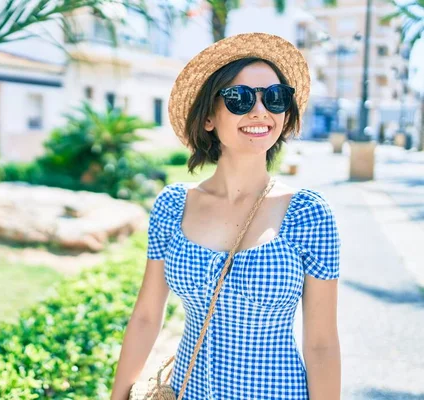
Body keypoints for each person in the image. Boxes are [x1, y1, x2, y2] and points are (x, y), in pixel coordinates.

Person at [110, 33, 341, 400]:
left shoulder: (307, 214)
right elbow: (146, 317)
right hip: (187, 391)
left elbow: (322, 344)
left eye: (275, 97)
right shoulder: (173, 205)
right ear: (208, 118)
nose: (260, 110)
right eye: (240, 98)